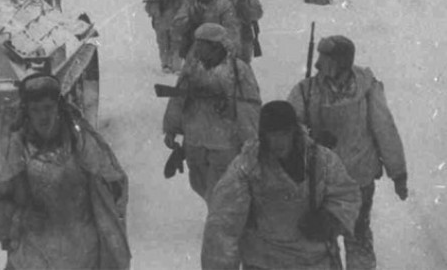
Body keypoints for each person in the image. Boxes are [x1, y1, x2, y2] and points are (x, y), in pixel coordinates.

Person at [0, 73, 131, 270]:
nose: (43, 116)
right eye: (35, 110)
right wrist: (19, 218)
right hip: (32, 259)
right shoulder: (11, 150)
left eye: (48, 108)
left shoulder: (82, 143)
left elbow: (114, 184)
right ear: (26, 112)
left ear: (59, 107)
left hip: (82, 257)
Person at [287, 36, 408, 270]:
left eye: (327, 57)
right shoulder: (306, 90)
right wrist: (309, 136)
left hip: (358, 179)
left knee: (358, 234)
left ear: (342, 61)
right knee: (322, 240)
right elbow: (290, 126)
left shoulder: (366, 88)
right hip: (321, 180)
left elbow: (384, 129)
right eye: (320, 56)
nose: (320, 63)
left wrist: (398, 173)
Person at [202, 101, 362, 270]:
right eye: (272, 135)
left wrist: (330, 220)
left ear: (294, 131)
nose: (279, 142)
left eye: (284, 133)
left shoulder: (320, 159)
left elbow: (347, 195)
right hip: (264, 261)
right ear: (263, 136)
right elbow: (222, 226)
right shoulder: (247, 167)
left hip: (314, 260)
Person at [162, 23, 261, 200]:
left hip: (224, 142)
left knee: (221, 190)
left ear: (216, 46)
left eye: (203, 44)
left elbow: (248, 107)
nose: (197, 48)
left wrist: (251, 142)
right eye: (197, 43)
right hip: (195, 141)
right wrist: (171, 128)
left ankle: (218, 215)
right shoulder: (192, 68)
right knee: (199, 184)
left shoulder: (237, 70)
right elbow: (178, 98)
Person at [172, 0, 240, 62]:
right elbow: (177, 23)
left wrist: (227, 43)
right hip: (195, 47)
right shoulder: (189, 2)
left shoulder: (222, 3)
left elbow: (231, 26)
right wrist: (190, 21)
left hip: (218, 47)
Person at [144, 0, 187, 73]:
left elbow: (185, 6)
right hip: (161, 24)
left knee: (176, 44)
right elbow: (148, 7)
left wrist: (179, 17)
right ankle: (165, 64)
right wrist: (157, 11)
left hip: (176, 24)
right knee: (163, 45)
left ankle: (176, 65)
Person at [222, 0, 264, 64]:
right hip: (227, 37)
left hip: (244, 36)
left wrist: (247, 11)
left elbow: (258, 12)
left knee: (244, 65)